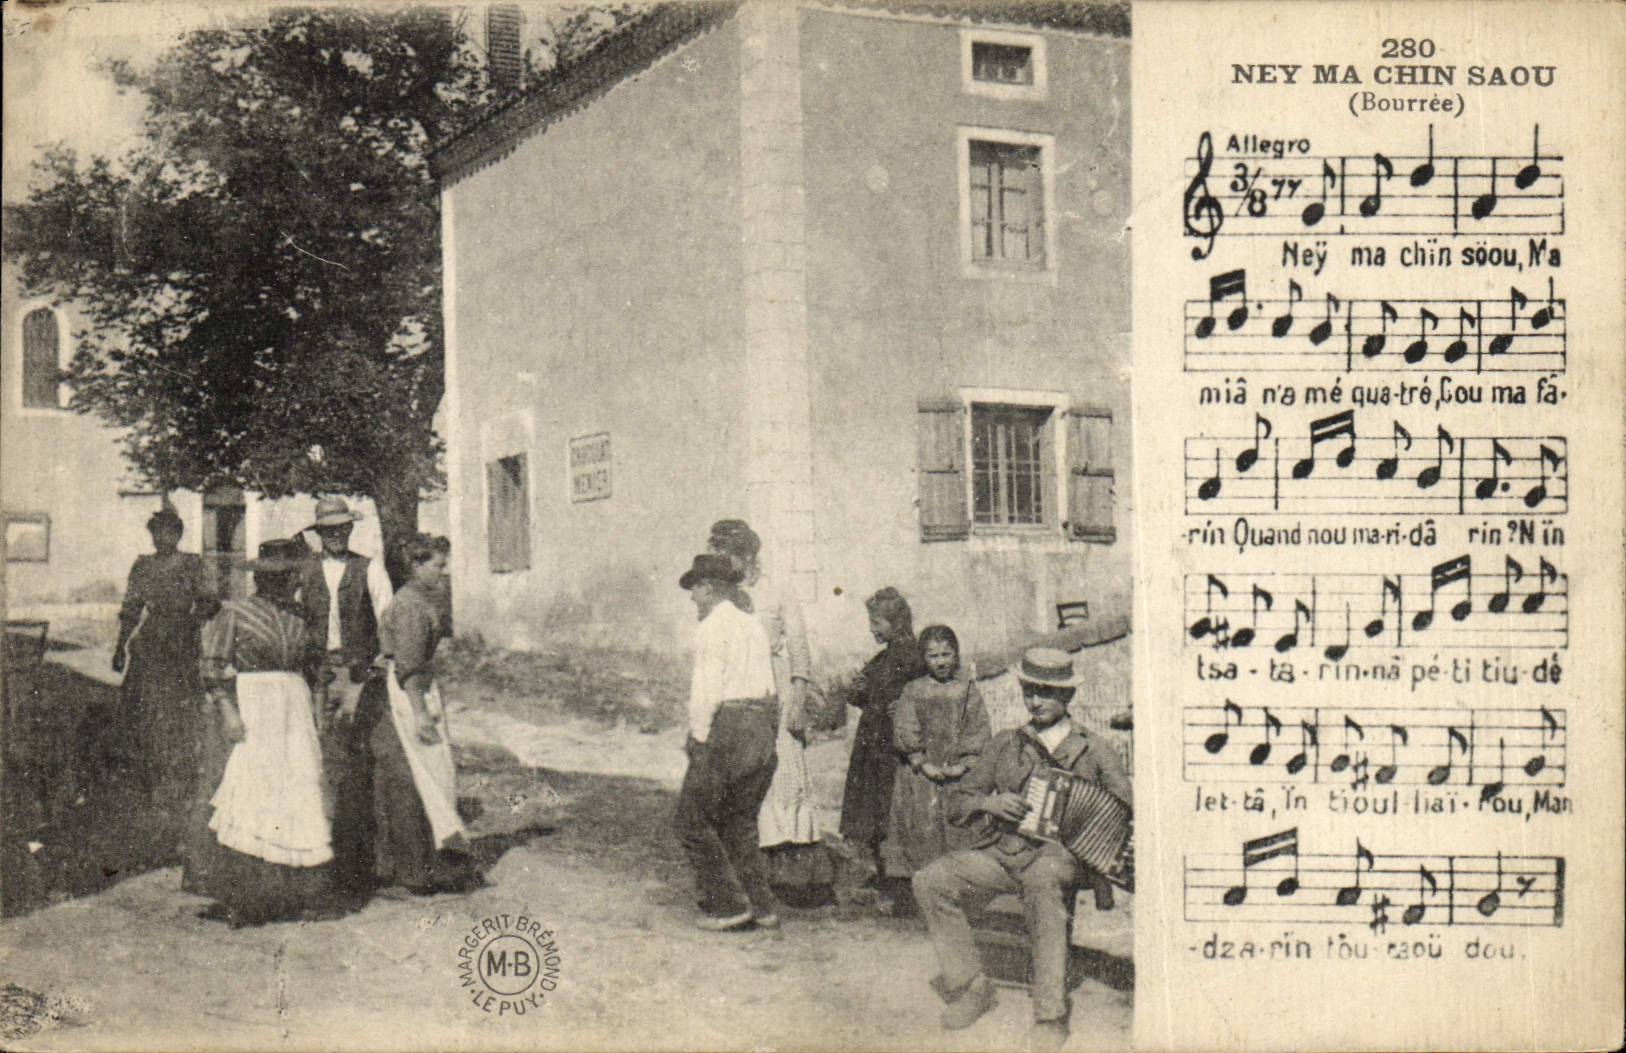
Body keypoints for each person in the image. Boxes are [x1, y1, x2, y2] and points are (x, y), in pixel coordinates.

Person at [912, 647, 1132, 1052]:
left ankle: (1050, 1016)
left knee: (1043, 880)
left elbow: (1126, 811)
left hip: (1063, 859)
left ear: (1067, 697)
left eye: (1045, 693)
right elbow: (960, 801)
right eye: (1029, 691)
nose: (1035, 701)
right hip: (1005, 850)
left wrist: (1089, 834)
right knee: (931, 880)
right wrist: (988, 803)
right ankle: (972, 986)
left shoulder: (1095, 749)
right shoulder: (1006, 743)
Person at [183, 539, 333, 926]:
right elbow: (212, 668)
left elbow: (317, 671)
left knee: (297, 793)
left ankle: (295, 893)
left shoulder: (300, 617)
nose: (286, 585)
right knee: (252, 795)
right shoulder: (234, 613)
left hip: (294, 711)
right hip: (255, 706)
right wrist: (229, 712)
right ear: (263, 579)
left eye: (288, 577)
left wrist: (318, 714)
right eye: (277, 578)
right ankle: (245, 899)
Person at [345, 534, 481, 896]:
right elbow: (407, 666)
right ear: (417, 566)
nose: (444, 571)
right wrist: (420, 713)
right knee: (413, 779)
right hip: (406, 697)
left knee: (425, 778)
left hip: (416, 690)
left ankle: (424, 864)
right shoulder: (408, 605)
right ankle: (412, 870)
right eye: (438, 565)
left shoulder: (420, 600)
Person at [707, 519, 833, 907]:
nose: (723, 563)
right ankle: (748, 872)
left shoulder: (777, 590)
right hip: (738, 691)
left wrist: (797, 697)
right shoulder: (721, 595)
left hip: (776, 689)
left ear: (748, 554)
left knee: (784, 775)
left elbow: (797, 647)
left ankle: (793, 876)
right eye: (717, 555)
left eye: (728, 555)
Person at [674, 553, 781, 931]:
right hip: (761, 726)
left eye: (695, 590)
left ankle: (728, 904)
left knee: (690, 819)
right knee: (741, 823)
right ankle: (763, 907)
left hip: (728, 728)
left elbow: (706, 693)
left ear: (708, 588)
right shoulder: (753, 625)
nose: (692, 599)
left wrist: (698, 740)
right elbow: (770, 687)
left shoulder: (710, 629)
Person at [112, 507, 218, 809]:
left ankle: (182, 775)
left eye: (169, 532)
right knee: (142, 706)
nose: (162, 538)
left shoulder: (192, 565)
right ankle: (146, 773)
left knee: (180, 709)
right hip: (151, 640)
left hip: (182, 641)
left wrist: (192, 621)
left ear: (179, 534)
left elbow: (211, 602)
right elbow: (131, 607)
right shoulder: (143, 566)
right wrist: (120, 647)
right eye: (157, 532)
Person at [838, 587, 925, 891]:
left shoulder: (913, 656)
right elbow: (863, 696)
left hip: (893, 745)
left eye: (877, 623)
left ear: (896, 622)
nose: (871, 629)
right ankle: (882, 874)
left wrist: (903, 704)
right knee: (874, 807)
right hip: (874, 742)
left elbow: (920, 695)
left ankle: (897, 878)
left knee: (889, 807)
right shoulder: (883, 658)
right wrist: (857, 686)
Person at [887, 625, 990, 878]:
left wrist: (965, 764)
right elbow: (905, 727)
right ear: (924, 658)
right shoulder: (914, 690)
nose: (941, 662)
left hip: (958, 776)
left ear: (955, 655)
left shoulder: (967, 691)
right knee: (923, 832)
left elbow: (977, 730)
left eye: (946, 655)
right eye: (933, 656)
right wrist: (921, 762)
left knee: (960, 832)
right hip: (921, 776)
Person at [298, 496, 393, 728]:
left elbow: (388, 620)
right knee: (317, 736)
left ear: (350, 528)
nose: (336, 535)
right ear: (319, 533)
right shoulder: (304, 572)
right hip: (316, 671)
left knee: (358, 739)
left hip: (358, 674)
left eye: (342, 528)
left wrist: (379, 666)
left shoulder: (370, 568)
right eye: (329, 530)